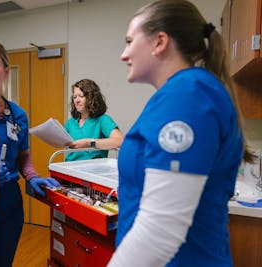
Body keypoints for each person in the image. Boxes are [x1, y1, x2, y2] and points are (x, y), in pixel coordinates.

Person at [107, 1, 254, 266]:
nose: (124, 54)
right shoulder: (184, 93)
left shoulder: (188, 95)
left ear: (159, 42)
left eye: (130, 41)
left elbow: (160, 231)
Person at [0, 40, 60, 267]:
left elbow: (23, 155)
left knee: (1, 261)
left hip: (8, 200)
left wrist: (32, 176)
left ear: (5, 71)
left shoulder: (17, 115)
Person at [64, 78, 123, 161]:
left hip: (92, 169)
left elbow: (119, 141)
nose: (77, 100)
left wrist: (89, 143)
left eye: (81, 96)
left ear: (92, 98)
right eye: (74, 97)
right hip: (69, 168)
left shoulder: (103, 120)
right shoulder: (71, 123)